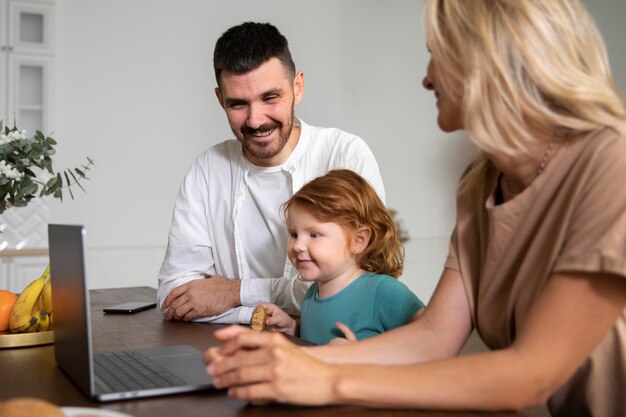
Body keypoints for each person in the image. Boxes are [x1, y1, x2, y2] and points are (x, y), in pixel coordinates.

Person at [203, 1, 626, 415]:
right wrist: (289, 360)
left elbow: (531, 374)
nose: (426, 79)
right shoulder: (480, 183)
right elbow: (434, 335)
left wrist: (327, 378)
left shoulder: (612, 163)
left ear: (488, 62)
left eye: (437, 57)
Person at [157, 22, 385, 324]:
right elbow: (175, 296)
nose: (255, 120)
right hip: (230, 352)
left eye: (269, 98)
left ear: (298, 87)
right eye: (238, 104)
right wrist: (266, 315)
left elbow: (361, 290)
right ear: (220, 99)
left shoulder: (345, 154)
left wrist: (236, 292)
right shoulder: (207, 169)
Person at [260, 169, 424, 345]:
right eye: (293, 234)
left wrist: (360, 353)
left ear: (358, 241)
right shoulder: (312, 294)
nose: (298, 245)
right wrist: (293, 328)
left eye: (314, 235)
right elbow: (319, 342)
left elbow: (431, 339)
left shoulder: (383, 291)